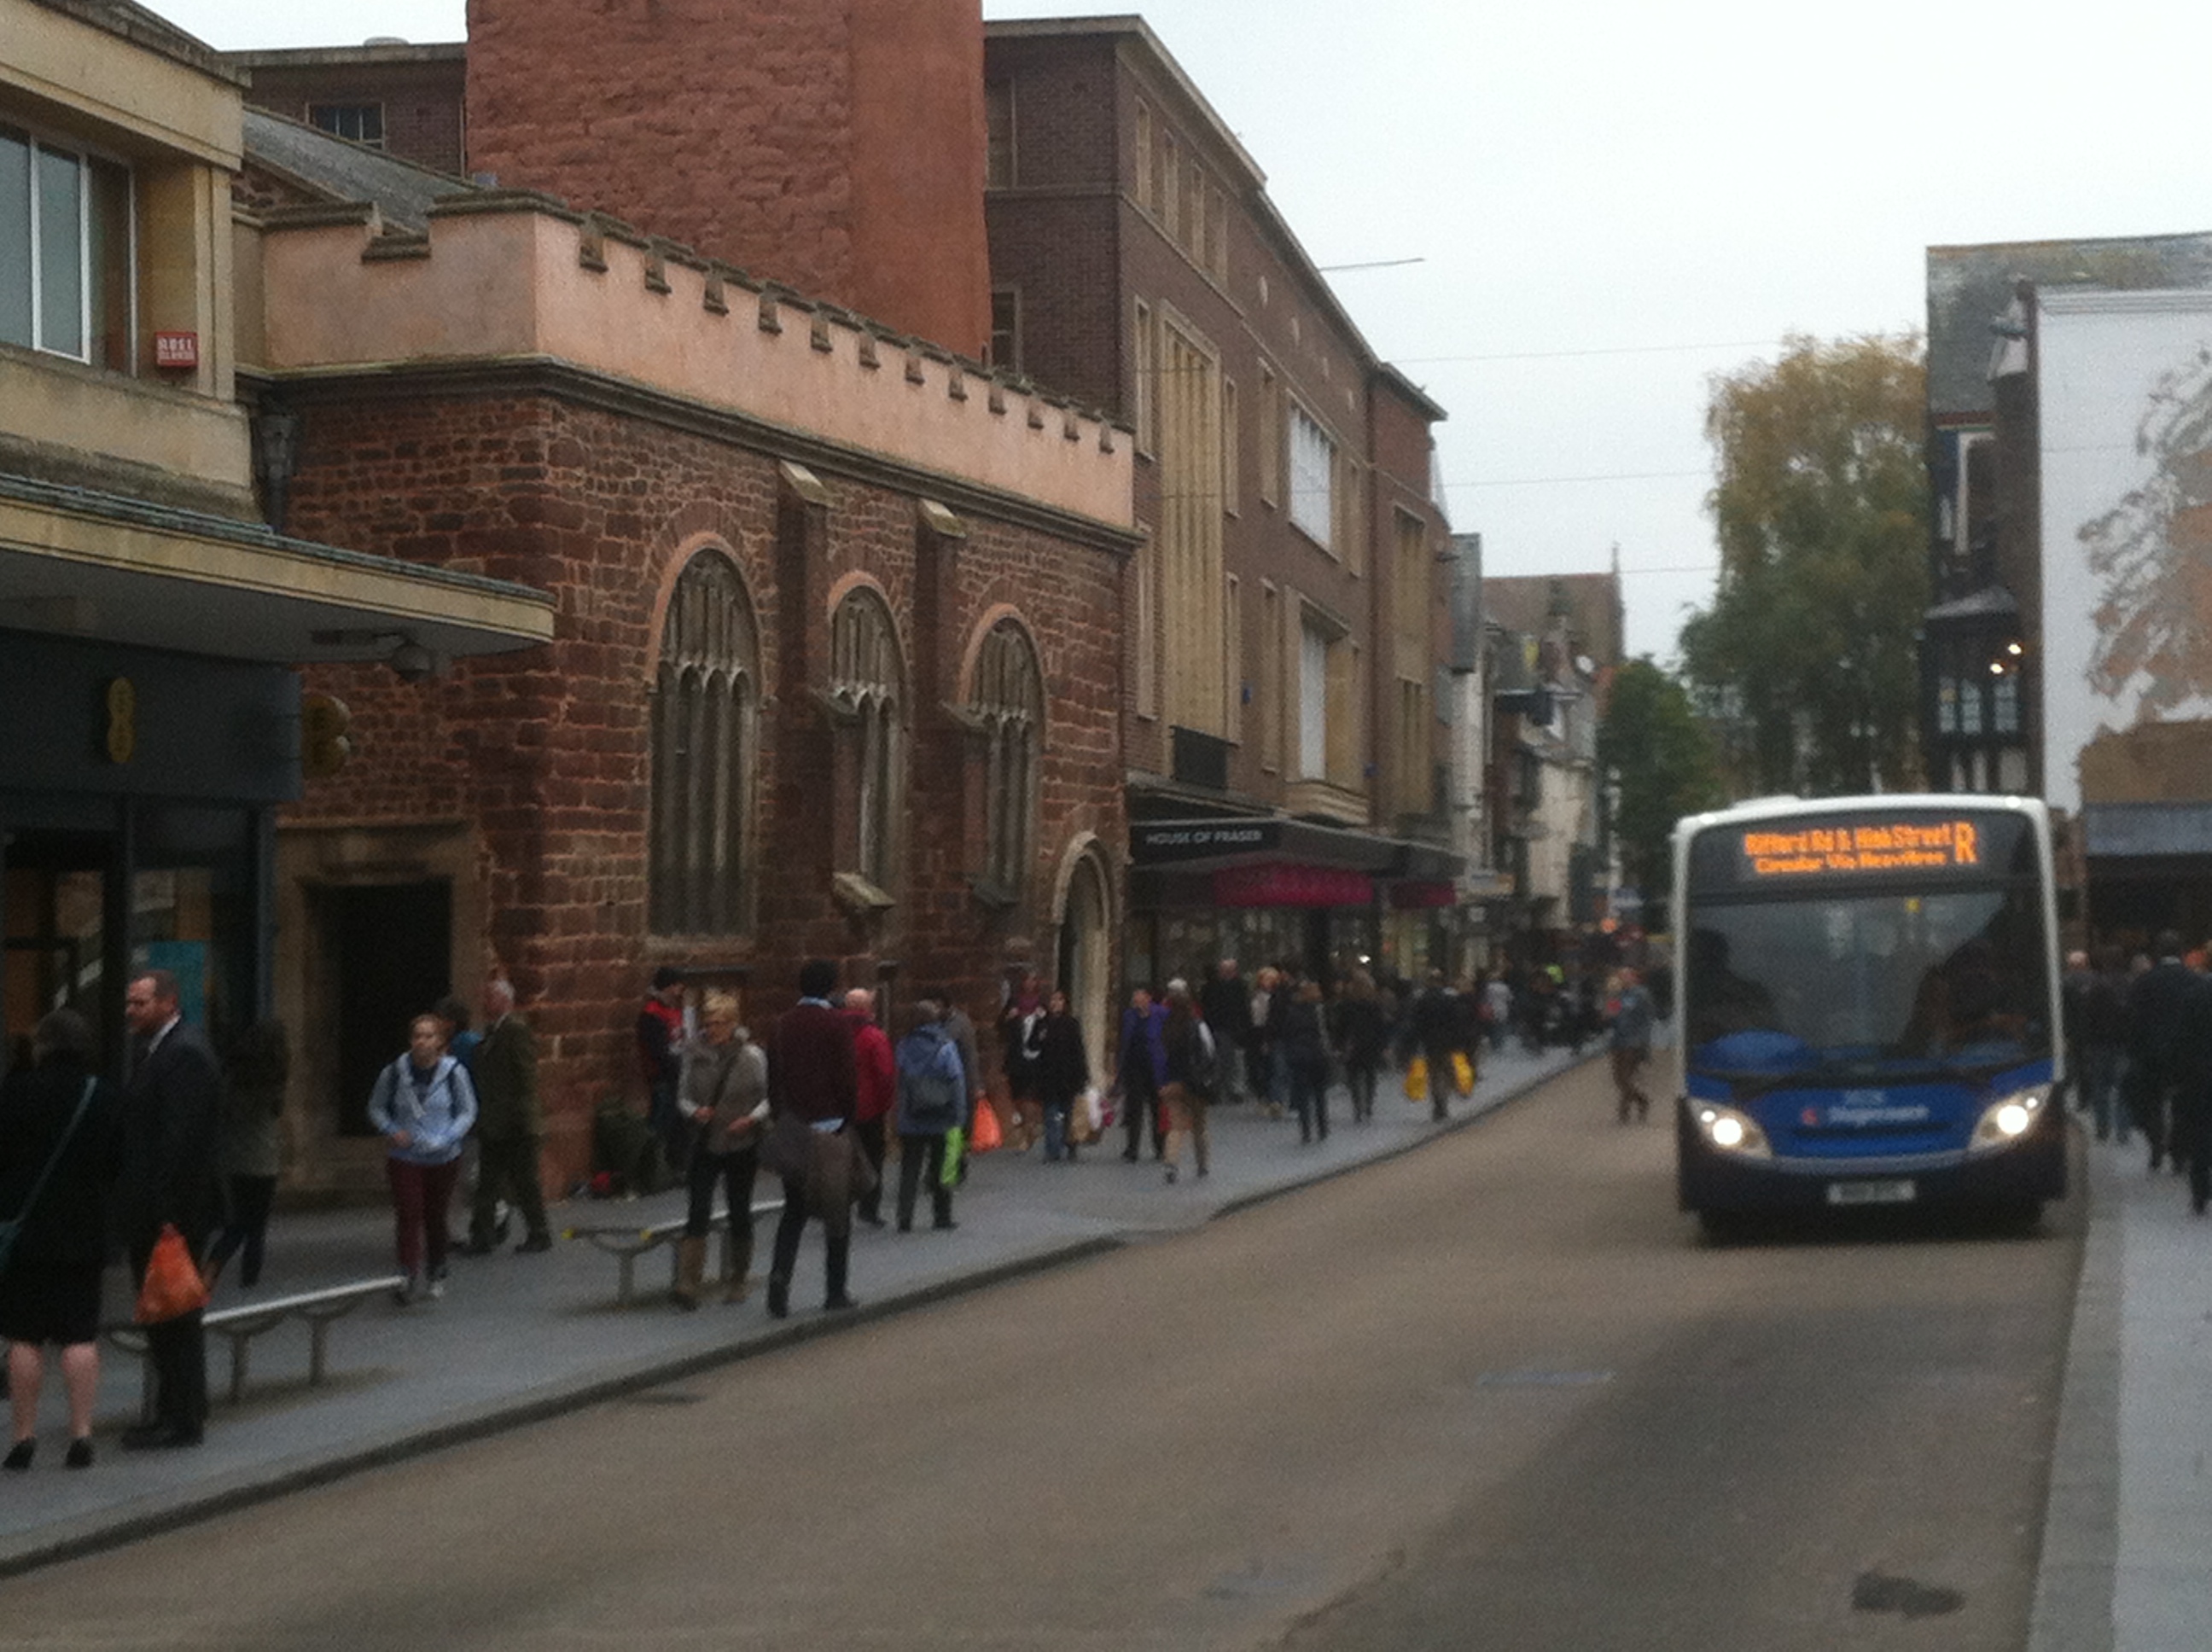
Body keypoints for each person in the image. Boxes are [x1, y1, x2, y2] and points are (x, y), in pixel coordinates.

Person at [0, 1009, 124, 1469]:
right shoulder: (105, 1096)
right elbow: (116, 1164)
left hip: (26, 1234)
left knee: (25, 1339)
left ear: (42, 1046)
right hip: (84, 1233)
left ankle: (23, 1437)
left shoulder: (14, 1093)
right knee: (79, 1337)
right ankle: (81, 1434)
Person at [115, 969, 224, 1449]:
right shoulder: (157, 1050)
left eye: (139, 1003)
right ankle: (175, 1409)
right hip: (158, 1212)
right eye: (130, 1002)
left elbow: (178, 1144)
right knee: (163, 1318)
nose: (130, 1012)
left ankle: (181, 1418)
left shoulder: (185, 1055)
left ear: (167, 1002)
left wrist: (164, 1216)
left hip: (172, 1217)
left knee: (174, 1318)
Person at [764, 959, 860, 1318]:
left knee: (794, 1212)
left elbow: (773, 1076)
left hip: (793, 1126)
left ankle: (779, 1281)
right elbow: (846, 1077)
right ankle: (835, 1290)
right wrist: (848, 1119)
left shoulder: (782, 1024)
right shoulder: (835, 1025)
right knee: (837, 1212)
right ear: (832, 986)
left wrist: (781, 1117)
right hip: (830, 1125)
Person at [366, 1013, 479, 1305]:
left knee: (435, 1215)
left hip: (443, 1156)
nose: (422, 1041)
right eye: (417, 1035)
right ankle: (406, 1272)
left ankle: (437, 1268)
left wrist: (448, 1137)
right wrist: (392, 1130)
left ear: (439, 1041)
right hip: (405, 1155)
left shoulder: (454, 1073)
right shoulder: (394, 1073)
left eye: (428, 1036)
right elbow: (376, 1108)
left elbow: (467, 1111)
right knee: (408, 1211)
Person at [673, 990, 768, 1307]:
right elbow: (683, 1095)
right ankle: (688, 1282)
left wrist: (751, 1119)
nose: (710, 1028)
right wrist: (693, 1111)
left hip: (741, 1142)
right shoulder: (694, 1054)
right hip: (706, 1140)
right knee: (697, 1208)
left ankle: (738, 1278)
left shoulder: (751, 1056)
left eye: (717, 1023)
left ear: (732, 1024)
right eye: (707, 1022)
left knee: (739, 1209)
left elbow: (767, 1098)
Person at [466, 977, 551, 1256]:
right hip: (494, 1123)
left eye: (489, 997)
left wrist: (524, 1118)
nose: (484, 1003)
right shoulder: (492, 1032)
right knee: (487, 1183)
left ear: (504, 1000)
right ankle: (482, 1235)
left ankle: (539, 1232)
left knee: (524, 1181)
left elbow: (526, 1076)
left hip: (515, 1123)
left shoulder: (515, 1029)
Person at [204, 1017, 287, 1290]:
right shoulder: (274, 1079)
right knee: (256, 1228)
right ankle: (248, 1281)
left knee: (235, 1223)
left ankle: (211, 1268)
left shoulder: (232, 1076)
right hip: (263, 1160)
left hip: (232, 1159)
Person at [2125, 930, 2197, 1172]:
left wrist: (2134, 1050)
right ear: (2181, 951)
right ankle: (2179, 1154)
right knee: (2184, 1106)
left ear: (2158, 952)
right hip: (2187, 1055)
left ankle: (2156, 1143)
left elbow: (2133, 1020)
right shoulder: (2195, 981)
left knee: (2151, 1103)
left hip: (2151, 1055)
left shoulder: (2144, 983)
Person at [893, 999, 968, 1230]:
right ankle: (941, 1216)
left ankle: (904, 1218)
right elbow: (956, 1081)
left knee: (909, 1169)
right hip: (941, 1115)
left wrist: (898, 1114)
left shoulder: (904, 1045)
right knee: (941, 1167)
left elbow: (898, 1080)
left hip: (911, 1116)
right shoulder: (945, 1045)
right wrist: (959, 1116)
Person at [845, 988, 896, 1228]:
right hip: (870, 1108)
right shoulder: (874, 1037)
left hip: (839, 1107)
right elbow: (885, 1075)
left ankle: (839, 1205)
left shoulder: (836, 1033)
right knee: (873, 1159)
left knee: (842, 1159)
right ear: (867, 1009)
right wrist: (885, 1105)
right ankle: (869, 1208)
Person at [1158, 984, 1215, 1184]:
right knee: (1200, 1126)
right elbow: (1209, 1051)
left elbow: (1162, 1055)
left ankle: (1171, 1163)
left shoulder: (1168, 1027)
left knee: (1176, 1126)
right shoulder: (1197, 1025)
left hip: (1173, 1082)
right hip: (1195, 1083)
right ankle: (1203, 1165)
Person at [637, 965, 687, 1174]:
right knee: (659, 1124)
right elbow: (658, 1051)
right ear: (669, 986)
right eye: (677, 986)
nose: (680, 991)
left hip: (677, 1075)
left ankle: (674, 1167)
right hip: (663, 1077)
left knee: (677, 1125)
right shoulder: (652, 1014)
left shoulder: (672, 1010)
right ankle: (648, 1169)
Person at [1033, 988, 1091, 1162]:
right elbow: (1033, 1045)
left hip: (1068, 1075)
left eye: (1059, 1000)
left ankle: (1070, 1144)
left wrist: (1083, 1075)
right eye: (1052, 1000)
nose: (1055, 1003)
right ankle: (1052, 1150)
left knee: (1068, 1113)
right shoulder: (1043, 1023)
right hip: (1049, 1076)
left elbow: (1078, 1050)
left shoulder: (1071, 1023)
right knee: (1051, 1114)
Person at [1115, 986, 1167, 1162]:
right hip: (1134, 1067)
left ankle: (1160, 1147)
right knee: (1134, 1109)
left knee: (1156, 1109)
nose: (1136, 1000)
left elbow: (1167, 1036)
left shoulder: (1161, 1013)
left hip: (1155, 1067)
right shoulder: (1129, 1016)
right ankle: (1132, 1149)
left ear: (1148, 998)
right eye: (1134, 997)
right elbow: (1124, 1041)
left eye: (1139, 997)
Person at [1331, 970, 1389, 1123]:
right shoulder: (1374, 1004)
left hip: (1353, 1045)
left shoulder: (1347, 1004)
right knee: (1370, 1076)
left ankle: (1357, 1106)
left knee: (1354, 1077)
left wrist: (1337, 1045)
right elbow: (1382, 1026)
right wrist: (1384, 1045)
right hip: (1371, 1044)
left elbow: (1340, 1027)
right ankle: (1368, 1105)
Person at [999, 972, 1045, 1153]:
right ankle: (1023, 1127)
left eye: (1033, 980)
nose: (1029, 983)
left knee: (1031, 1096)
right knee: (1016, 1095)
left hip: (1036, 1058)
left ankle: (1029, 1129)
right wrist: (1008, 1018)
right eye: (1027, 979)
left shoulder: (1042, 1005)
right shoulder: (1014, 1003)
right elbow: (1000, 1027)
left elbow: (1049, 1027)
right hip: (1017, 1057)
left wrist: (1043, 1028)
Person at [1199, 958, 1252, 1104]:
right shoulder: (1213, 987)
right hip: (1221, 1027)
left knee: (1232, 1060)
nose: (1225, 972)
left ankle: (1230, 1089)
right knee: (1222, 1060)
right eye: (1224, 969)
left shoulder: (1239, 986)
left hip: (1233, 1028)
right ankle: (1223, 1089)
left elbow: (1243, 1008)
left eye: (1229, 969)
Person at [1610, 968, 1656, 1123]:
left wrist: (1644, 1042)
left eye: (1626, 976)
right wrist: (1611, 998)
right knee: (1619, 1077)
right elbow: (1611, 1016)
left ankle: (1624, 1110)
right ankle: (1641, 1100)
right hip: (1618, 1040)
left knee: (1626, 1075)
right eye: (1621, 976)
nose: (1623, 979)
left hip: (1634, 1041)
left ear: (1634, 978)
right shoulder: (1618, 994)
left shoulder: (1641, 994)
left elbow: (1648, 1018)